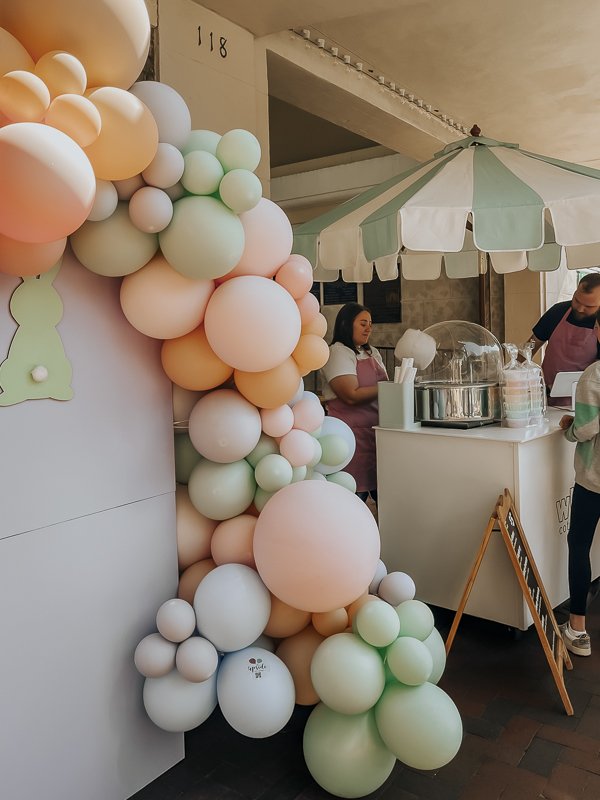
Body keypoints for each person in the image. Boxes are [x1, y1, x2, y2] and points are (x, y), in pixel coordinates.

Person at [558, 305, 600, 656]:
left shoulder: (594, 375)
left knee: (579, 546)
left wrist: (570, 427)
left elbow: (586, 430)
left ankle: (577, 630)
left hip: (594, 478)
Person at [321, 302, 388, 504]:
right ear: (346, 324)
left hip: (375, 435)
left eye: (370, 324)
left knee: (385, 498)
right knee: (351, 498)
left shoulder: (372, 352)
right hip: (351, 437)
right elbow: (350, 394)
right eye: (363, 323)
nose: (369, 328)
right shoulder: (338, 352)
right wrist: (391, 388)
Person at [527, 273, 600, 406]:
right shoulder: (558, 312)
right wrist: (514, 373)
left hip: (584, 403)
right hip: (546, 399)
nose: (580, 308)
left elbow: (596, 370)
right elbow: (530, 347)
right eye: (577, 300)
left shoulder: (599, 325)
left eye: (589, 306)